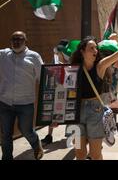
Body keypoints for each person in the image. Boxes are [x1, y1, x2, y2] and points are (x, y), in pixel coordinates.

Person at [71, 34, 118, 160]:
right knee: (80, 154)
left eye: (96, 48)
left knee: (95, 154)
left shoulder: (100, 65)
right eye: (91, 48)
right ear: (82, 51)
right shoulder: (73, 69)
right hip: (75, 114)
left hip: (95, 113)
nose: (95, 51)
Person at [0, 31, 44, 160]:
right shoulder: (3, 55)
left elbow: (43, 77)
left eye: (19, 39)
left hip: (25, 104)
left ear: (26, 41)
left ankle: (36, 144)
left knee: (26, 130)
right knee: (6, 134)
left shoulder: (34, 57)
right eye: (13, 39)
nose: (16, 42)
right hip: (5, 102)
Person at [42, 39, 70, 146]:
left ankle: (67, 134)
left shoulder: (64, 53)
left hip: (65, 84)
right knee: (54, 110)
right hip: (58, 84)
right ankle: (50, 135)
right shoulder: (58, 53)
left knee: (64, 109)